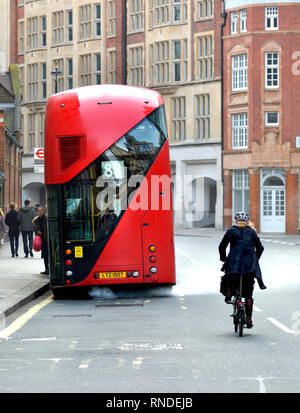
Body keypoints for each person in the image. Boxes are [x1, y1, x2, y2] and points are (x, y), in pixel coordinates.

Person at [218, 211, 266, 329]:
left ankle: (229, 294)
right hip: (249, 263)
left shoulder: (231, 231)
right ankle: (249, 320)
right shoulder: (252, 232)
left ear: (235, 221)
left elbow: (222, 247)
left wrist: (223, 258)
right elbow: (260, 248)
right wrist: (255, 259)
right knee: (249, 291)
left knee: (229, 276)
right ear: (248, 222)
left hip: (234, 261)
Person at [33, 206, 49, 275]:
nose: (39, 212)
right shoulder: (37, 220)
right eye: (38, 211)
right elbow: (36, 229)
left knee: (48, 255)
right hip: (42, 239)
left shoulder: (46, 219)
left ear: (43, 211)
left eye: (41, 211)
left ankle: (49, 269)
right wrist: (38, 232)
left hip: (47, 239)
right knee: (45, 255)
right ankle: (46, 269)